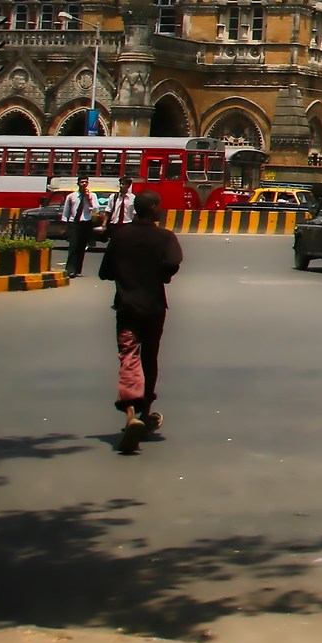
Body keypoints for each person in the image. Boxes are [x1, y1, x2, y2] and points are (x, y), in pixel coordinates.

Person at [98, 193, 183, 454]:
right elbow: (172, 262)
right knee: (149, 358)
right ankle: (145, 412)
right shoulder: (165, 237)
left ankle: (131, 413)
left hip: (126, 307)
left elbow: (105, 272)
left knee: (129, 357)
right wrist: (162, 275)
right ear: (154, 208)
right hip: (155, 308)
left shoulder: (121, 236)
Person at [60, 175, 97, 278]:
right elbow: (66, 211)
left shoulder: (92, 196)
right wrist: (64, 224)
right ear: (78, 183)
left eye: (86, 182)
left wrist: (89, 199)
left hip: (86, 223)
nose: (84, 184)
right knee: (73, 246)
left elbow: (95, 209)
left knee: (81, 247)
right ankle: (70, 269)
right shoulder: (71, 196)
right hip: (74, 223)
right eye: (82, 182)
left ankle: (77, 270)